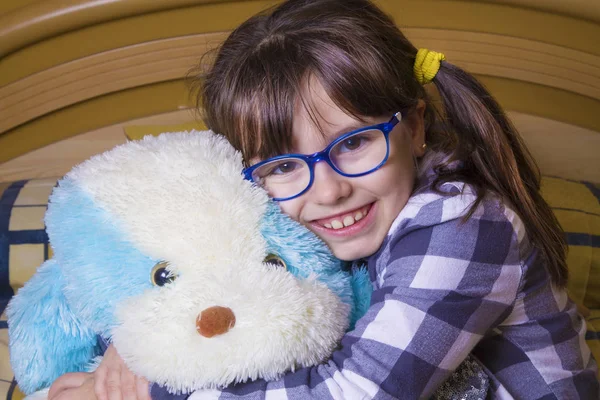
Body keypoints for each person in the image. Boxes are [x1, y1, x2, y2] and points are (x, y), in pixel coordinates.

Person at [48, 0, 599, 399]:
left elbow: (355, 391)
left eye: (355, 142)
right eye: (285, 165)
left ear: (415, 126)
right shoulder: (272, 207)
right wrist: (144, 350)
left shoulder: (464, 222)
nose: (329, 189)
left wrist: (154, 389)